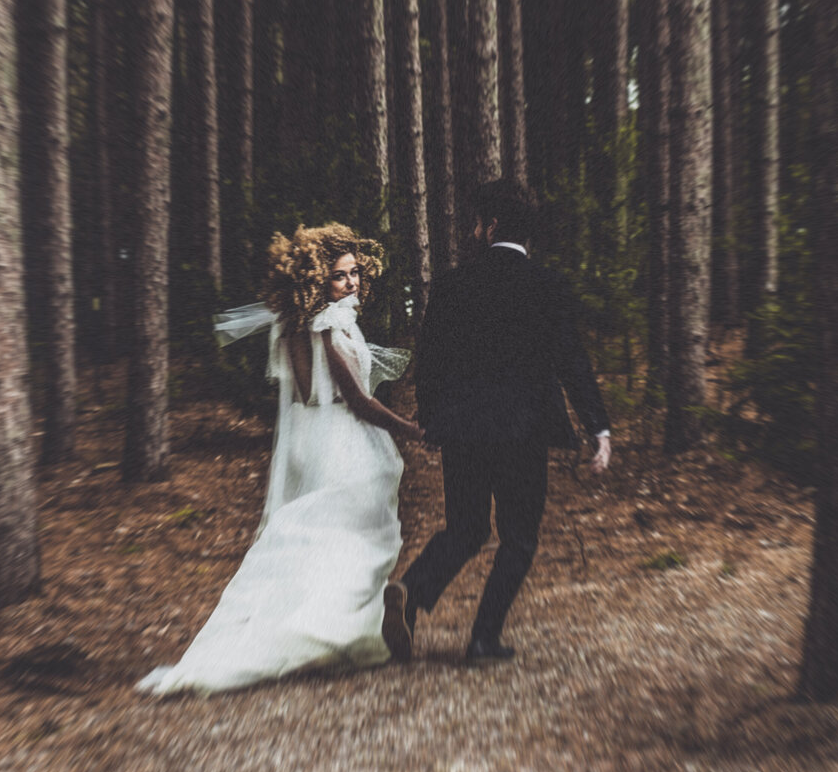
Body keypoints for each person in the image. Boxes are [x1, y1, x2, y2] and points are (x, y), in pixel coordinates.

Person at [137, 224, 422, 696]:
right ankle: (328, 631)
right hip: (343, 439)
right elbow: (356, 399)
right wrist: (409, 428)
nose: (351, 284)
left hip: (309, 438)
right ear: (315, 279)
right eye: (339, 276)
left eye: (354, 273)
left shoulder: (290, 324)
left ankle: (337, 631)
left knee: (316, 541)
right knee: (356, 539)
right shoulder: (329, 324)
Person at [383, 179, 612, 665]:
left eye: (477, 222)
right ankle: (483, 638)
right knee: (519, 536)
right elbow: (572, 361)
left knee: (465, 529)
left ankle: (410, 590)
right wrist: (599, 429)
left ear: (490, 226)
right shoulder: (548, 286)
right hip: (521, 431)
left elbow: (431, 363)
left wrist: (431, 421)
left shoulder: (450, 286)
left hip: (463, 431)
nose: (472, 230)